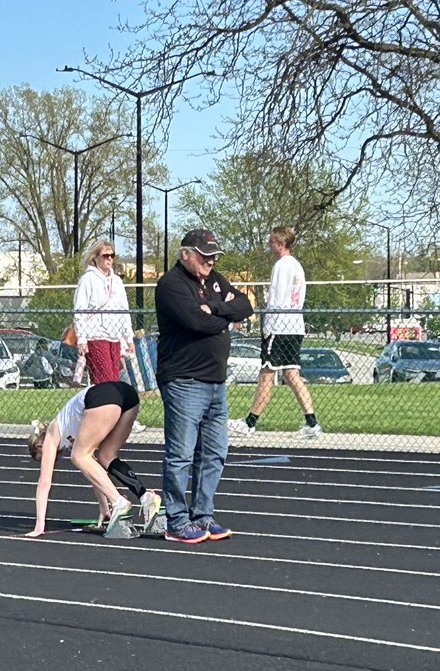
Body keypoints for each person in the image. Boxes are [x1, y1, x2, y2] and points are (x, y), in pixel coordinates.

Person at [155, 229, 253, 544]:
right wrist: (223, 317)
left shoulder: (214, 280)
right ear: (186, 254)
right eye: (204, 255)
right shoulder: (171, 285)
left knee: (214, 452)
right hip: (184, 381)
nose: (210, 261)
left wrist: (217, 308)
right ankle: (177, 521)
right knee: (181, 454)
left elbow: (245, 305)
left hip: (215, 381)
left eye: (213, 256)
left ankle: (203, 516)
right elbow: (197, 322)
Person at [24, 381, 162, 538]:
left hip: (102, 397)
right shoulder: (70, 433)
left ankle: (119, 503)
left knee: (78, 456)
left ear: (39, 446)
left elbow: (44, 482)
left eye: (44, 458)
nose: (55, 459)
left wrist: (39, 526)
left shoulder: (51, 435)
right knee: (106, 456)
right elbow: (94, 471)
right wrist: (104, 508)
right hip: (127, 396)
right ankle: (146, 498)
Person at [229, 226, 323, 438]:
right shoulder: (297, 266)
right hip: (295, 326)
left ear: (281, 244)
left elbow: (277, 300)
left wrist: (268, 327)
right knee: (292, 374)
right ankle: (312, 422)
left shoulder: (282, 265)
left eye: (272, 241)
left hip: (280, 327)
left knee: (266, 373)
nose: (269, 244)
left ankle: (250, 422)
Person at [73, 240, 135, 385]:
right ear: (95, 258)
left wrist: (129, 338)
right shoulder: (87, 280)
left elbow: (124, 311)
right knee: (103, 380)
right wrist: (81, 339)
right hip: (96, 336)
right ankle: (102, 406)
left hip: (115, 337)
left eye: (112, 255)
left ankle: (108, 406)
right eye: (105, 255)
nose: (109, 259)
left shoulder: (117, 281)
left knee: (113, 380)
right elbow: (80, 310)